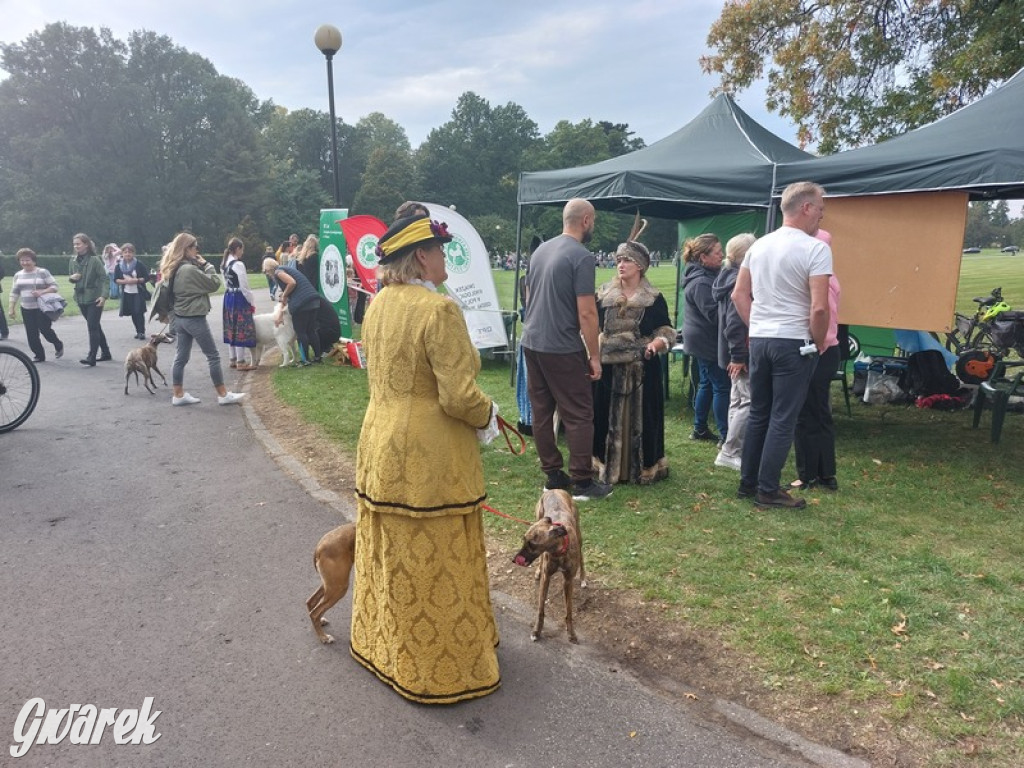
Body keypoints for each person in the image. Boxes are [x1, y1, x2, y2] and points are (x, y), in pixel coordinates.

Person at [350, 213, 500, 704]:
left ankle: (385, 648)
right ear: (421, 256)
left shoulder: (378, 305)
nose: (444, 258)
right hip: (428, 454)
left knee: (394, 553)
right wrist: (489, 415)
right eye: (439, 250)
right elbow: (458, 396)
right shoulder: (439, 311)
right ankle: (441, 669)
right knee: (436, 555)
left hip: (379, 441)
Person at [732, 182, 832, 509]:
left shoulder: (758, 246)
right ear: (805, 208)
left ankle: (748, 482)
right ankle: (768, 489)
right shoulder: (816, 248)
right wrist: (817, 344)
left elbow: (739, 295)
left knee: (760, 411)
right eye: (819, 208)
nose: (821, 214)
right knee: (783, 417)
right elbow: (819, 307)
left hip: (761, 339)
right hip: (794, 341)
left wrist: (758, 326)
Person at [520, 199, 612, 501]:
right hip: (561, 345)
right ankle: (583, 481)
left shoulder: (540, 251)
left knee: (542, 411)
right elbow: (587, 312)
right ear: (586, 220)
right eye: (593, 222)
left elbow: (529, 295)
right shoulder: (581, 257)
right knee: (579, 413)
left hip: (532, 341)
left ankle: (553, 475)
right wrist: (594, 355)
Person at [591, 236, 674, 485]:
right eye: (618, 260)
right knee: (604, 417)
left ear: (640, 265)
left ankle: (642, 468)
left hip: (642, 369)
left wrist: (655, 344)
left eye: (627, 260)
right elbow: (591, 327)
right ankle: (606, 465)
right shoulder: (603, 295)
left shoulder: (653, 298)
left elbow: (666, 330)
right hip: (608, 369)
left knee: (644, 419)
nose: (621, 264)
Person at [161, 232, 245, 407]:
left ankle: (178, 394)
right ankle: (223, 394)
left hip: (180, 318)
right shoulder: (189, 270)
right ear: (187, 249)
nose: (197, 250)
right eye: (194, 247)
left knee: (181, 356)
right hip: (194, 317)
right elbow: (214, 283)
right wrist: (206, 264)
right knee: (213, 356)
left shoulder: (173, 268)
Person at [791, 228, 842, 492]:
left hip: (816, 348)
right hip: (829, 349)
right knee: (821, 412)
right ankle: (826, 474)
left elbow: (820, 313)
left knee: (805, 413)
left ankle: (807, 474)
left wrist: (816, 343)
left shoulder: (818, 281)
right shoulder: (831, 278)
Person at [712, 233, 757, 471]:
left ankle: (731, 448)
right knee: (746, 400)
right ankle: (730, 450)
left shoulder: (725, 277)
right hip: (739, 351)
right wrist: (739, 356)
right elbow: (735, 321)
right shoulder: (739, 281)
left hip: (732, 350)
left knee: (738, 399)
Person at [682, 233, 730, 443]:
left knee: (707, 384)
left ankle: (699, 428)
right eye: (718, 252)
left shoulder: (704, 275)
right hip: (707, 342)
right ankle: (725, 435)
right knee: (721, 385)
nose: (722, 256)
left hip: (702, 340)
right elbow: (713, 314)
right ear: (703, 257)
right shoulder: (700, 281)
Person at [261, 257, 322, 365]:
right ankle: (318, 357)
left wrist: (284, 294)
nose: (266, 274)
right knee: (311, 330)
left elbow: (292, 283)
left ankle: (305, 360)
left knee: (301, 331)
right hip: (314, 299)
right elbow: (286, 297)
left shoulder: (278, 272)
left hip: (302, 304)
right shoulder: (285, 268)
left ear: (268, 268)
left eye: (265, 271)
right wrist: (280, 315)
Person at [7, 248, 64, 361]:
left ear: (34, 261)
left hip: (42, 308)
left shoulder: (42, 272)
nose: (24, 262)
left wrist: (42, 292)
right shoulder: (18, 275)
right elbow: (14, 292)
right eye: (22, 260)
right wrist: (11, 308)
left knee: (45, 330)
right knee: (31, 334)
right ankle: (39, 355)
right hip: (26, 308)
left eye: (27, 260)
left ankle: (57, 343)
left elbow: (54, 287)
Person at [69, 233, 112, 366]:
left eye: (78, 244)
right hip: (81, 299)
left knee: (92, 327)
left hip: (95, 299)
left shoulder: (94, 260)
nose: (76, 246)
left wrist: (104, 296)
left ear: (86, 244)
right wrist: (72, 278)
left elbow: (105, 279)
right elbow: (71, 277)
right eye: (74, 244)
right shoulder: (72, 260)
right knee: (95, 326)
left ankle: (91, 357)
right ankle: (106, 353)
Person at [220, 237, 257, 370]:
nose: (242, 252)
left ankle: (233, 359)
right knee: (240, 327)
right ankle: (241, 361)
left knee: (231, 327)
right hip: (239, 297)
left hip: (228, 296)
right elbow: (245, 286)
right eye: (242, 249)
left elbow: (225, 283)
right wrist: (251, 301)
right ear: (237, 249)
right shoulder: (238, 264)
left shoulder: (224, 264)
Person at [114, 243, 150, 339]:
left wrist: (137, 280)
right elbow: (116, 279)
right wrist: (125, 281)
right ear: (122, 253)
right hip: (127, 292)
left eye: (129, 252)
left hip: (138, 292)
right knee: (133, 312)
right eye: (125, 252)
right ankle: (138, 331)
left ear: (133, 253)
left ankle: (142, 332)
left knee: (139, 311)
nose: (127, 254)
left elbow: (147, 277)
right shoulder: (119, 266)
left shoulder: (139, 264)